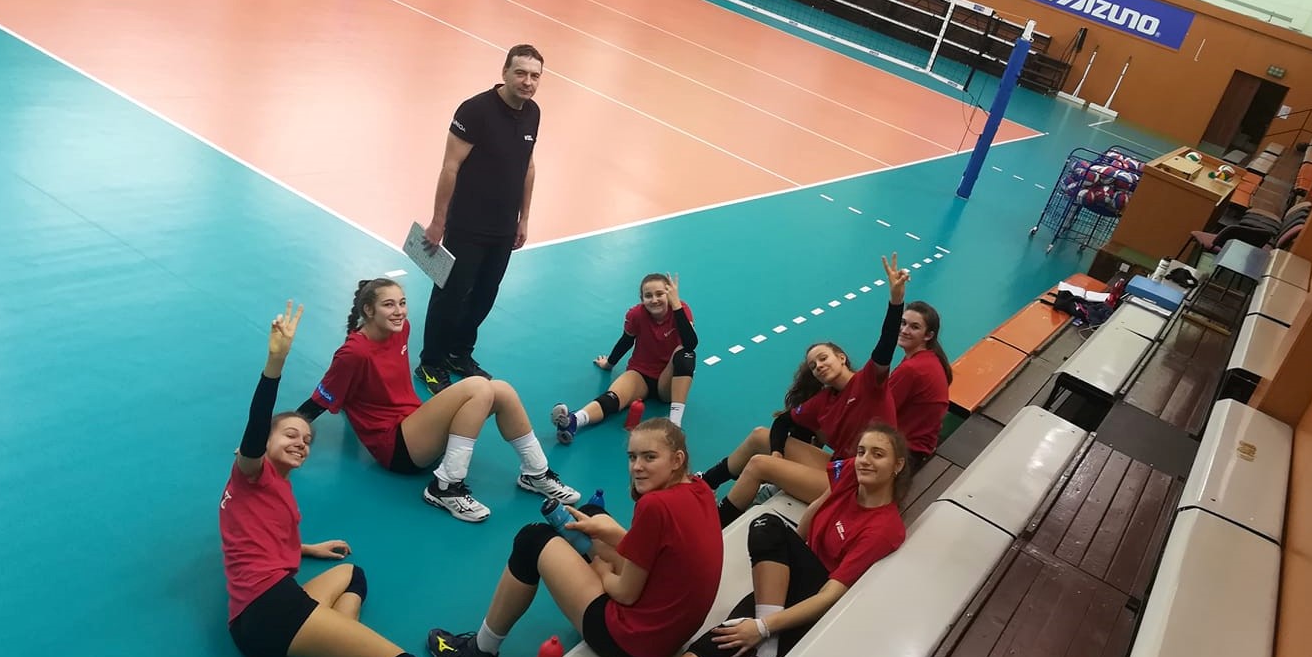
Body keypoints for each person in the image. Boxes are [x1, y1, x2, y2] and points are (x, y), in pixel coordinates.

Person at [590, 423, 911, 657]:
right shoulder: (850, 476)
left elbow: (830, 596)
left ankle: (766, 653)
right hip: (797, 580)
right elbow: (812, 519)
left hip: (820, 607)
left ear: (898, 465)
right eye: (861, 451)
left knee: (767, 526)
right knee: (723, 636)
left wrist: (762, 628)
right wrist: (793, 550)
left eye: (877, 454)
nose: (864, 460)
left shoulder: (883, 528)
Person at [221, 301, 419, 657]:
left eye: (307, 439)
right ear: (260, 446)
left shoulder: (271, 490)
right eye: (290, 434)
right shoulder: (251, 471)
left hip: (256, 616)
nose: (302, 442)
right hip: (271, 610)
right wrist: (275, 363)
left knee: (352, 574)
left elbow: (254, 539)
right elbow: (254, 428)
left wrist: (308, 549)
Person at [427, 419, 723, 657]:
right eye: (632, 457)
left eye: (649, 457)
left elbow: (625, 594)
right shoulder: (700, 489)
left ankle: (479, 656)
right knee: (590, 515)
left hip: (630, 642)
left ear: (677, 460)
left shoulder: (654, 506)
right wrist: (611, 534)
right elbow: (665, 550)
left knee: (532, 540)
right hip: (670, 636)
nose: (636, 467)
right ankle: (582, 554)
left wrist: (601, 570)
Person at [299, 278, 579, 522]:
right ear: (368, 310)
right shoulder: (353, 353)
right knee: (479, 388)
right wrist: (289, 429)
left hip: (416, 426)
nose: (399, 311)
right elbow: (323, 396)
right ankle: (445, 487)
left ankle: (536, 473)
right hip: (395, 446)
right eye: (389, 305)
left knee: (501, 389)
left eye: (402, 303)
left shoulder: (402, 329)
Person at [699, 255, 908, 526]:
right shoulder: (824, 399)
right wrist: (777, 451)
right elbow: (782, 422)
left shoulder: (869, 382)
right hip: (841, 467)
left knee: (759, 464)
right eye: (813, 365)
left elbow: (886, 343)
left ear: (841, 357)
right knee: (760, 435)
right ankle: (704, 483)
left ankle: (713, 526)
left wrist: (896, 301)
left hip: (861, 482)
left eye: (823, 358)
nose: (818, 366)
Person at [415, 44, 545, 391]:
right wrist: (438, 221)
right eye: (520, 73)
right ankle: (430, 362)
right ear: (504, 72)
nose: (527, 82)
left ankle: (458, 353)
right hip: (466, 225)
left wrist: (524, 218)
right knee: (450, 295)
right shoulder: (475, 111)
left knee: (485, 295)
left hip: (503, 228)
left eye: (534, 76)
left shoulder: (533, 113)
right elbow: (450, 167)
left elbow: (528, 167)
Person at [551, 273, 698, 442]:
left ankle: (674, 426)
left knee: (685, 353)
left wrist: (676, 305)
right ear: (642, 299)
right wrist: (609, 364)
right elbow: (626, 341)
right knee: (612, 397)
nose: (654, 300)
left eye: (660, 294)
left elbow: (691, 343)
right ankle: (573, 421)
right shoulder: (636, 314)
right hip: (641, 374)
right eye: (648, 296)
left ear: (669, 294)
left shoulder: (681, 309)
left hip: (668, 380)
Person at [890, 300, 952, 469]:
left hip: (904, 455)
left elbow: (880, 410)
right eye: (903, 323)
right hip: (918, 450)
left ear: (928, 335)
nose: (904, 330)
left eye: (914, 327)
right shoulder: (930, 359)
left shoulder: (912, 369)